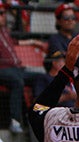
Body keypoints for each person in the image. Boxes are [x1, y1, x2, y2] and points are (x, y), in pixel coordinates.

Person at [0, 2, 46, 133]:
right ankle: (15, 120)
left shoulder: (4, 31)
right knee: (17, 81)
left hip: (16, 69)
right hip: (3, 69)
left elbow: (15, 43)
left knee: (40, 77)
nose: (4, 17)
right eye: (1, 14)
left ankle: (38, 112)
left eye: (4, 13)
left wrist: (33, 41)